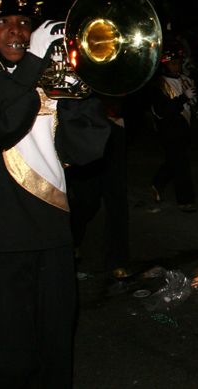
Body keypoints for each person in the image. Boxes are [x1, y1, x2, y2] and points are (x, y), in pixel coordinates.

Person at [0, 0, 110, 388]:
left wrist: (78, 91)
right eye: (3, 22)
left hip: (53, 229)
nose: (17, 30)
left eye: (24, 22)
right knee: (12, 359)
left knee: (55, 353)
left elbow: (87, 150)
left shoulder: (46, 78)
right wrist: (33, 65)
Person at [67, 94, 132, 281]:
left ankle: (117, 260)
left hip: (114, 129)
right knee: (88, 200)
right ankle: (72, 239)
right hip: (87, 130)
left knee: (117, 199)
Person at [149, 42, 197, 212]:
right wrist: (183, 98)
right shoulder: (159, 84)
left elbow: (192, 104)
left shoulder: (185, 79)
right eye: (173, 63)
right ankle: (185, 200)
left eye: (179, 63)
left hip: (184, 127)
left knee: (175, 161)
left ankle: (157, 183)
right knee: (181, 165)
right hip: (169, 128)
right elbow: (163, 110)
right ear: (165, 65)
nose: (177, 67)